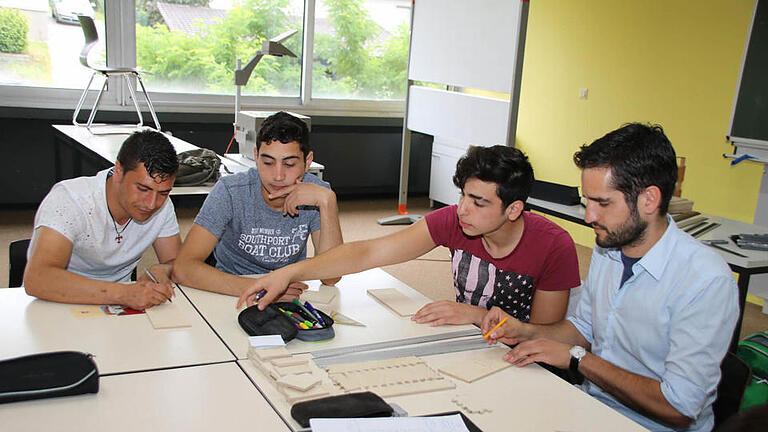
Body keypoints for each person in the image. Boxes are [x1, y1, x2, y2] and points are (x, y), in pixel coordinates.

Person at [482, 123, 738, 432]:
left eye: (602, 203)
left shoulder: (704, 280)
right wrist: (525, 331)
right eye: (587, 201)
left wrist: (578, 360)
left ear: (649, 199)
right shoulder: (610, 249)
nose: (589, 217)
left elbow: (679, 407)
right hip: (591, 407)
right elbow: (584, 327)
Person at [237, 145, 581, 327]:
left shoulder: (554, 245)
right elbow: (367, 252)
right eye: (462, 195)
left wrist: (476, 316)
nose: (462, 209)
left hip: (518, 362)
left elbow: (544, 336)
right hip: (463, 338)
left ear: (514, 209)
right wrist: (290, 272)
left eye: (478, 202)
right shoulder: (456, 221)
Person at [172, 112, 343, 297]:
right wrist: (263, 287)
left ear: (307, 161)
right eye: (268, 162)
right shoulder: (231, 191)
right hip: (229, 291)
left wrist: (328, 202)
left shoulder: (317, 194)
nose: (278, 176)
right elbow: (183, 268)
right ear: (256, 156)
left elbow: (331, 277)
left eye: (289, 164)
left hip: (288, 294)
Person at [25, 130, 181, 310]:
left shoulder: (163, 205)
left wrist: (164, 269)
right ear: (118, 170)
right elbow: (38, 278)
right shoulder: (69, 200)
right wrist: (123, 294)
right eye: (142, 189)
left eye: (163, 193)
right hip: (57, 301)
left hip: (118, 307)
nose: (152, 204)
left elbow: (179, 263)